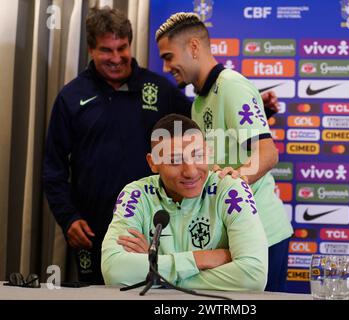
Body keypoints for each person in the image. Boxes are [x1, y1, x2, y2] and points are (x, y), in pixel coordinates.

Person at [43, 6, 278, 285]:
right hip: (102, 224)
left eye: (123, 48)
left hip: (192, 223)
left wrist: (156, 276)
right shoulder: (72, 96)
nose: (117, 58)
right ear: (91, 50)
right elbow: (53, 166)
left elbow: (203, 134)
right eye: (107, 50)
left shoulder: (164, 88)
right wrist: (68, 216)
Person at [155, 12, 293, 292]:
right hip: (232, 234)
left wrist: (236, 181)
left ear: (193, 47)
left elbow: (267, 154)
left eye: (169, 56)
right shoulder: (199, 101)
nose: (166, 67)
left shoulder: (231, 86)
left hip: (263, 235)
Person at [101, 114, 268, 291]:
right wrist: (200, 259)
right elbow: (114, 271)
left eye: (198, 156)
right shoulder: (136, 194)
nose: (190, 171)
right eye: (175, 161)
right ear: (153, 162)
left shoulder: (230, 188)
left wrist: (154, 273)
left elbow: (253, 276)